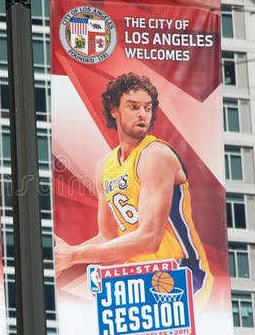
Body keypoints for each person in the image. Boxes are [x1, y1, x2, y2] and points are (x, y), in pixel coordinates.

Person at [55, 71, 211, 299]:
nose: (143, 114)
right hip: (140, 277)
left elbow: (149, 239)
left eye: (147, 108)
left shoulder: (156, 154)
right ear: (114, 109)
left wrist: (75, 254)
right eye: (134, 107)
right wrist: (65, 255)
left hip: (184, 272)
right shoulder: (105, 166)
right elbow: (108, 237)